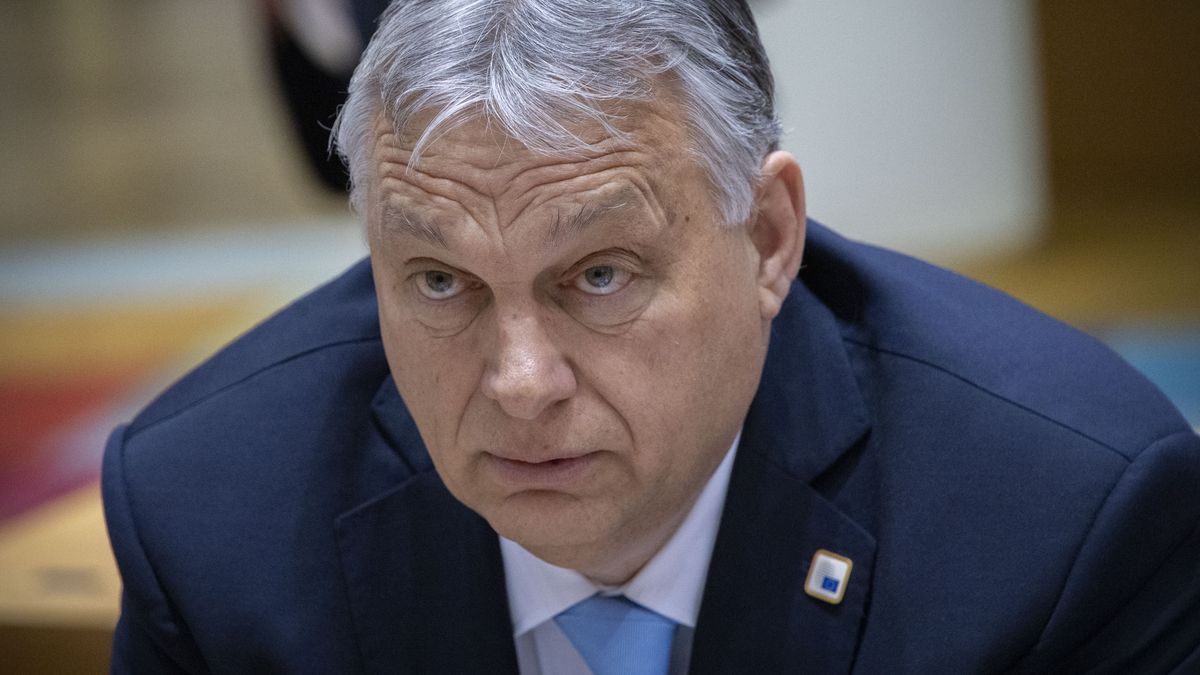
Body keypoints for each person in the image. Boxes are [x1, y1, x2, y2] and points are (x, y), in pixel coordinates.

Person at [102, 1, 1200, 673]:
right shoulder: (209, 520)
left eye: (600, 274)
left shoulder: (1068, 521)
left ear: (768, 238)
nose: (520, 383)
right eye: (440, 281)